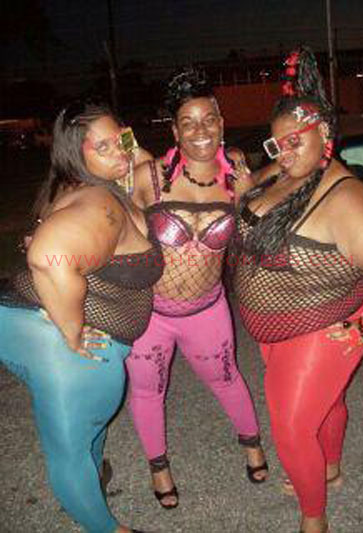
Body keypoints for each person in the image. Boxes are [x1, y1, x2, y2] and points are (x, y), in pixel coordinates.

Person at [232, 47, 363, 533]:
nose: (284, 152)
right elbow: (261, 183)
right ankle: (329, 467)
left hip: (322, 324)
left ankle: (314, 518)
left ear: (324, 133)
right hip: (275, 326)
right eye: (276, 143)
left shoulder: (345, 196)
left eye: (294, 141)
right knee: (324, 402)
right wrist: (247, 184)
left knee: (290, 428)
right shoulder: (287, 172)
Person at [0, 100, 162, 533]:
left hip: (43, 319)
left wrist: (129, 150)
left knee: (88, 425)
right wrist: (71, 330)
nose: (118, 152)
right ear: (77, 154)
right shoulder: (98, 202)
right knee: (69, 448)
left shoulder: (102, 182)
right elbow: (50, 255)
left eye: (120, 139)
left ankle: (91, 484)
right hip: (46, 333)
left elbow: (143, 166)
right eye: (102, 147)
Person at [125, 68, 268, 509]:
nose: (200, 130)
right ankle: (159, 467)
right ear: (174, 131)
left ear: (221, 124)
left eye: (209, 119)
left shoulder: (237, 174)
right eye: (187, 122)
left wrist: (250, 195)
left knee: (227, 378)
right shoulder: (150, 177)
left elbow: (258, 232)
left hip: (207, 310)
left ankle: (252, 444)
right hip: (151, 313)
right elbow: (110, 222)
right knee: (148, 390)